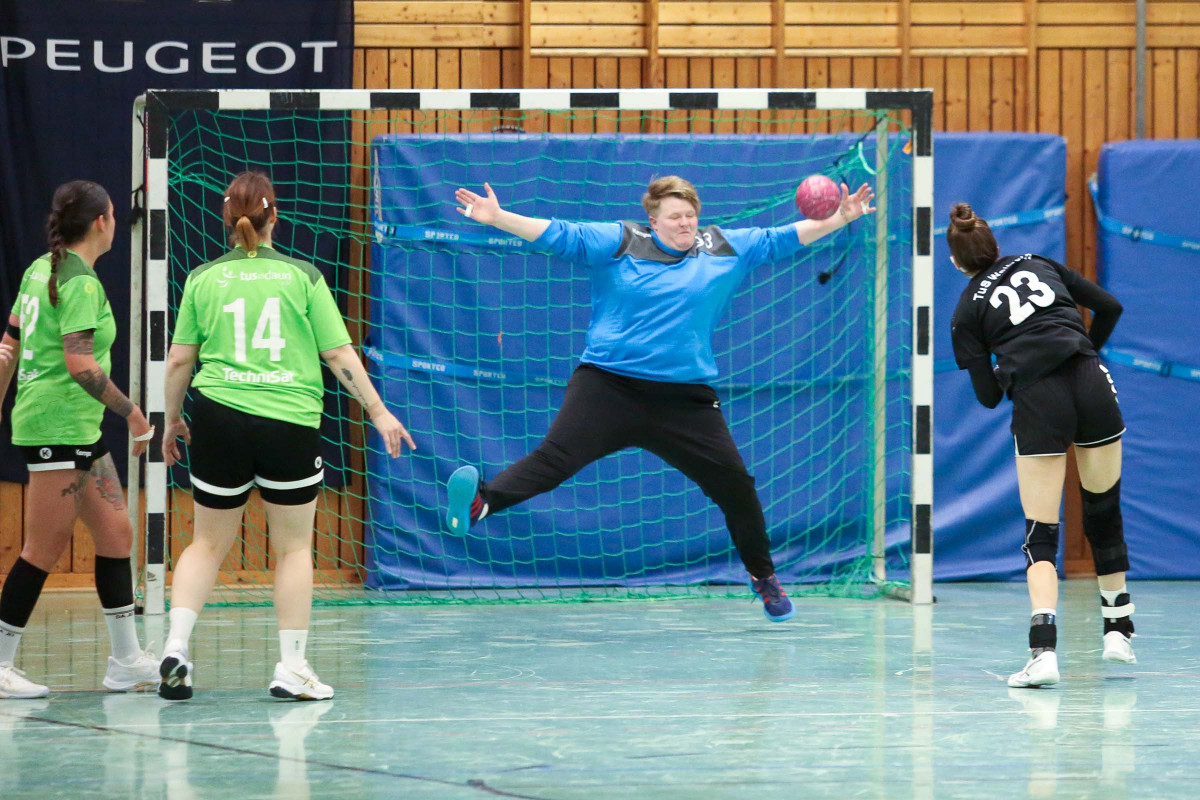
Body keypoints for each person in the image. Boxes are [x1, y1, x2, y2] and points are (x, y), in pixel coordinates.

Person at [444, 175, 875, 621]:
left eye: (690, 215)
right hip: (608, 386)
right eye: (675, 217)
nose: (685, 223)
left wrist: (841, 219)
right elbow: (560, 235)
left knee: (736, 487)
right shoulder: (620, 241)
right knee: (554, 460)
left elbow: (780, 239)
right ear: (654, 221)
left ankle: (764, 578)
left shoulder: (723, 247)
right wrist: (498, 217)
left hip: (684, 399)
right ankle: (482, 504)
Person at [159, 171, 416, 701]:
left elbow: (181, 358)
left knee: (205, 543)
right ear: (274, 216)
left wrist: (173, 420)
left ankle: (176, 648)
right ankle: (292, 668)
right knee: (294, 548)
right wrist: (378, 411)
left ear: (226, 219)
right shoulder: (303, 276)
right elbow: (338, 353)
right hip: (288, 421)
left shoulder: (203, 278)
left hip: (219, 416)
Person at [947, 202, 1136, 688]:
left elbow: (988, 397)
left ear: (956, 261)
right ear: (994, 245)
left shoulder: (966, 310)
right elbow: (1110, 306)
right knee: (1104, 511)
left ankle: (1043, 652)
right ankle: (1118, 630)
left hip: (1039, 397)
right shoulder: (1039, 262)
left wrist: (1007, 365)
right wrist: (1085, 349)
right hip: (1089, 377)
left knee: (1041, 534)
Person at [0, 180, 159, 698]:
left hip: (78, 429)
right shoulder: (79, 283)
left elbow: (8, 344)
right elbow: (80, 365)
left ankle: (126, 661)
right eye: (113, 215)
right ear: (101, 223)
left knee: (116, 533)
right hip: (56, 427)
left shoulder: (40, 269)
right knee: (43, 548)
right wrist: (133, 413)